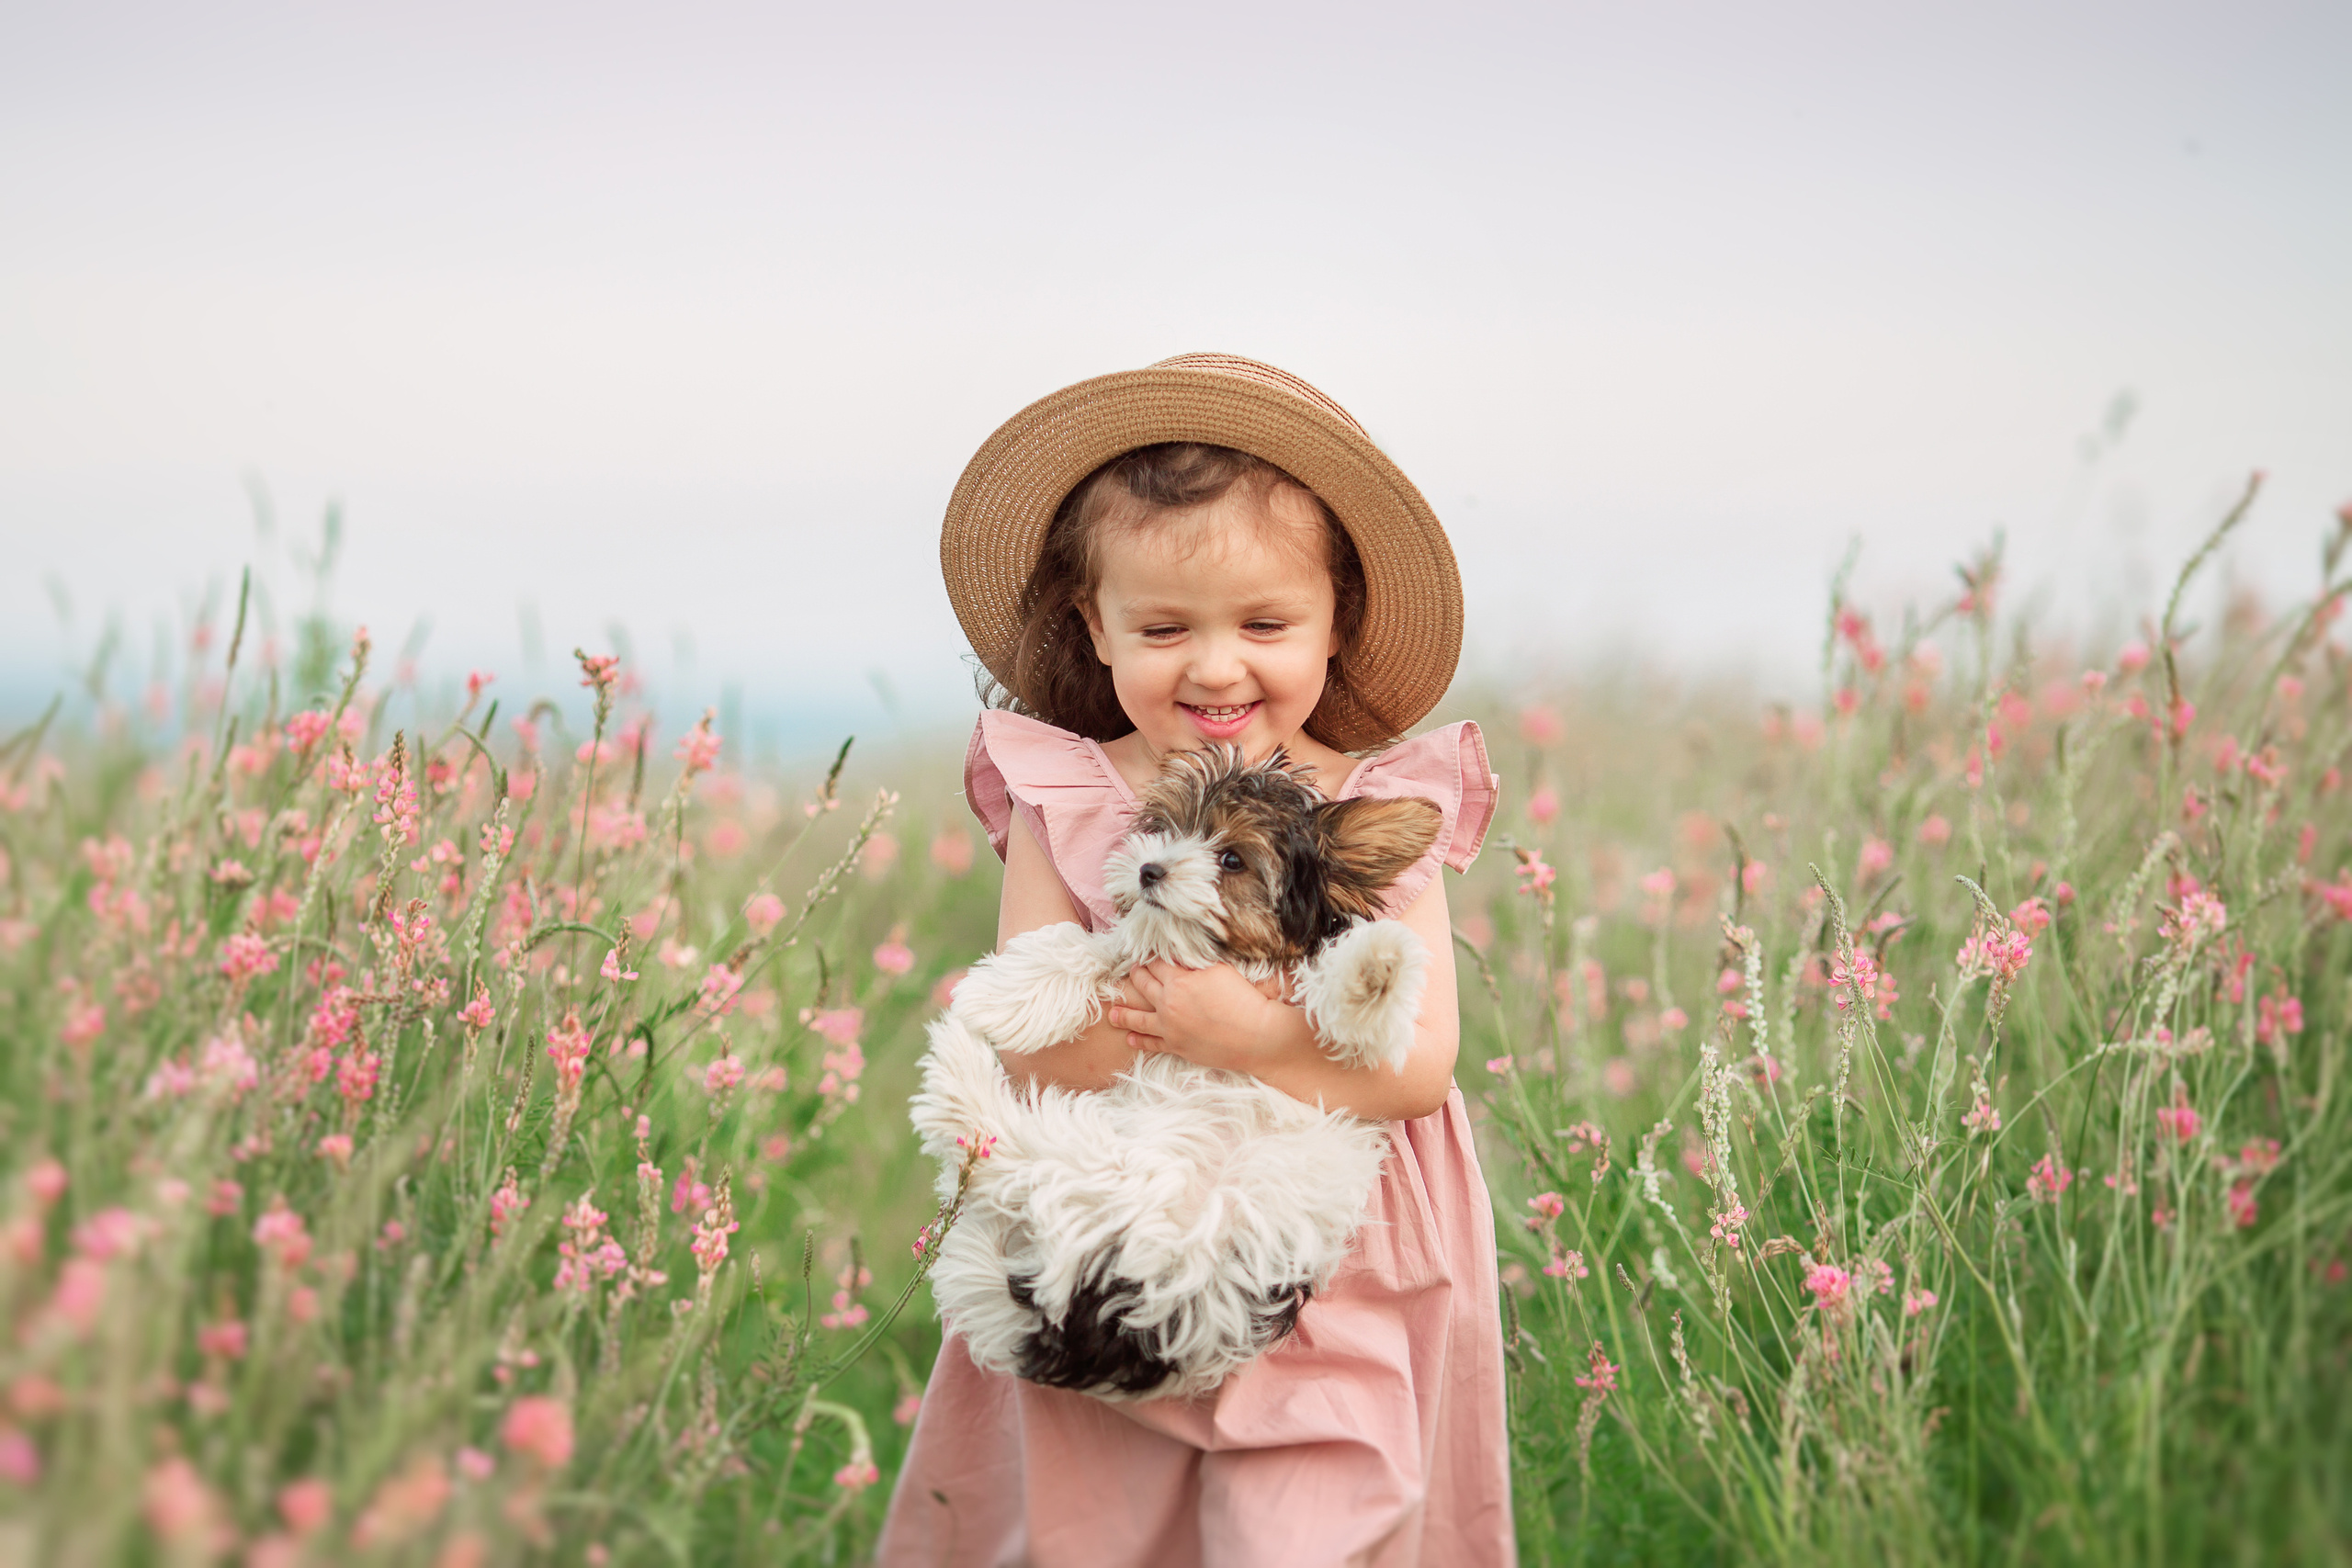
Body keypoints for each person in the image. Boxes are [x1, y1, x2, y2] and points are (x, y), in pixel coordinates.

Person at [877, 354, 1510, 1567]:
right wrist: (1174, 1020)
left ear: (1340, 618)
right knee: (1098, 1532)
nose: (1216, 668)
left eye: (1266, 624)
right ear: (1092, 625)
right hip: (1113, 1230)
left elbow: (1418, 1065)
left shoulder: (1377, 803)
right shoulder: (1071, 789)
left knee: (1320, 1530)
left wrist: (1254, 1037)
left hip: (1345, 1257)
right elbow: (1037, 1031)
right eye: (1164, 628)